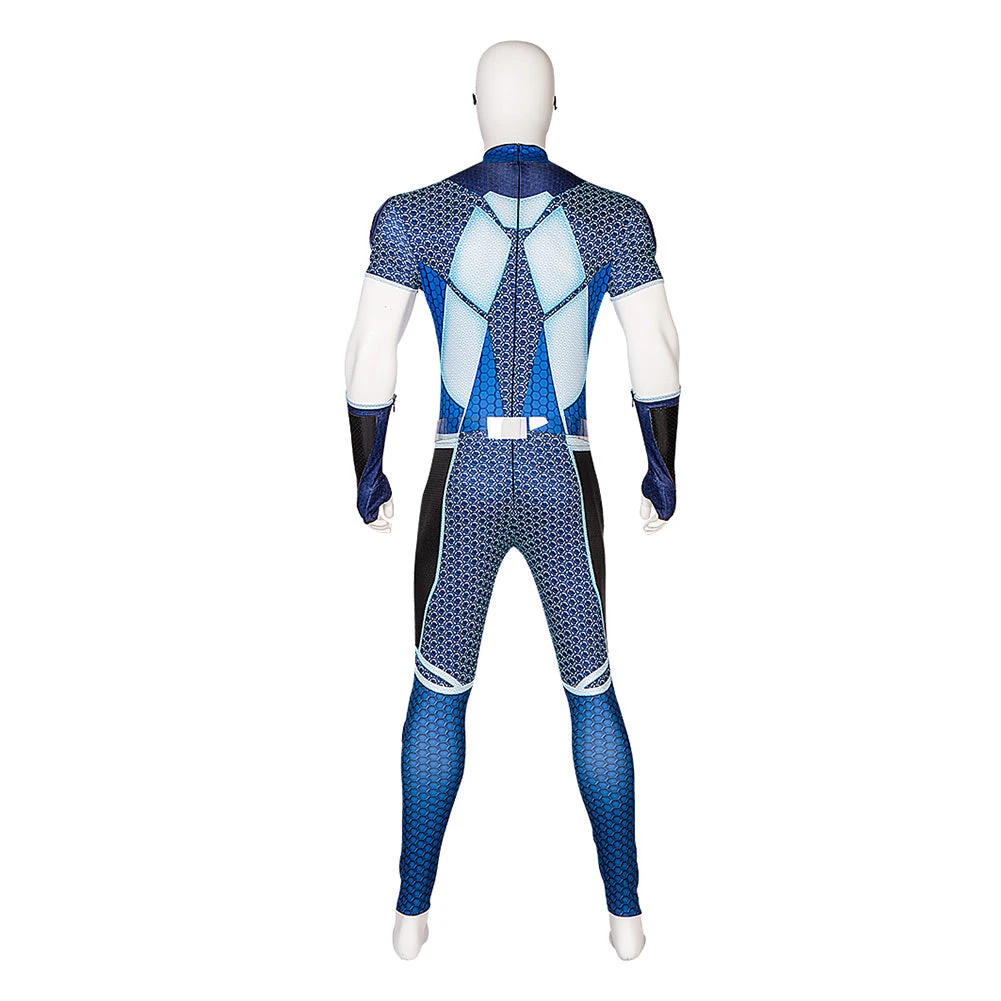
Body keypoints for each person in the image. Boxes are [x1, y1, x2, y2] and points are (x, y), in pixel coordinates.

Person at [345, 41, 681, 960]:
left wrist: (367, 472)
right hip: (561, 475)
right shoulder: (614, 216)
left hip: (461, 479)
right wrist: (662, 467)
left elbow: (369, 353)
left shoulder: (413, 216)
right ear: (554, 107)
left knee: (436, 689)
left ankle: (410, 911)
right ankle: (625, 914)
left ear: (474, 106)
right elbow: (655, 345)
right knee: (592, 691)